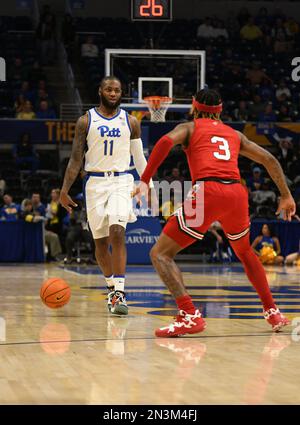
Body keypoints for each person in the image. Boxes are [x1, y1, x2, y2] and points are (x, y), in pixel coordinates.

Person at [134, 88, 296, 337]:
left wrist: (145, 180)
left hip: (208, 191)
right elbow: (269, 160)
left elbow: (165, 142)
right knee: (244, 252)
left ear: (193, 106)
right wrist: (286, 195)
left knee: (160, 254)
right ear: (220, 110)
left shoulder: (190, 127)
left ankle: (189, 314)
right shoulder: (234, 134)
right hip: (236, 194)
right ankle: (272, 311)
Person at [59, 76, 155, 316]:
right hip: (94, 183)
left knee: (118, 231)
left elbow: (139, 157)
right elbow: (75, 159)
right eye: (109, 89)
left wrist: (148, 184)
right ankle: (112, 289)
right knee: (100, 243)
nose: (114, 93)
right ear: (100, 91)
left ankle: (120, 292)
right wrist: (64, 190)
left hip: (122, 180)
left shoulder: (131, 121)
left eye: (118, 90)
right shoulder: (85, 121)